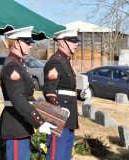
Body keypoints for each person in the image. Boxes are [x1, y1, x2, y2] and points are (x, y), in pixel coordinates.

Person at [0, 26, 56, 160]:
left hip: (21, 121)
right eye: (27, 42)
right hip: (16, 122)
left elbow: (27, 96)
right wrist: (39, 121)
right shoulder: (13, 66)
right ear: (16, 44)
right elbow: (17, 98)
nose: (30, 46)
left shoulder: (18, 63)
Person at [42, 28, 91, 160]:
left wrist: (80, 94)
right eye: (72, 40)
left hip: (68, 118)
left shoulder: (65, 61)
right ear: (62, 42)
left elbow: (66, 89)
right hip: (59, 117)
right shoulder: (56, 61)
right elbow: (49, 89)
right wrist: (58, 109)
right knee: (56, 155)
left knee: (65, 156)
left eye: (76, 41)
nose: (76, 44)